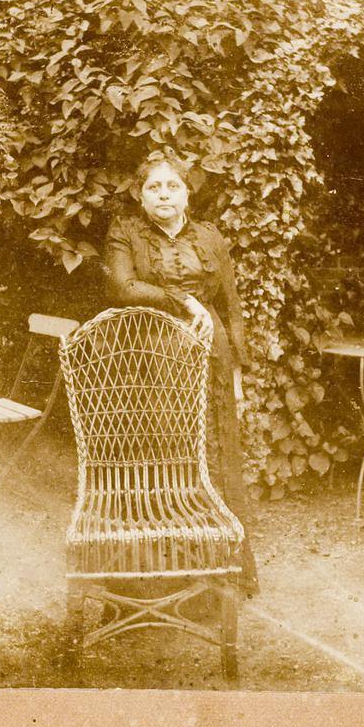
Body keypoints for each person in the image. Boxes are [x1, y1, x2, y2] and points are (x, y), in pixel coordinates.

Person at [102, 149, 259, 594]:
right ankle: (157, 584)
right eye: (154, 187)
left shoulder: (209, 237)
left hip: (211, 358)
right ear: (141, 196)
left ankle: (219, 576)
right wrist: (184, 301)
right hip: (149, 360)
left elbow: (230, 305)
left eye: (173, 186)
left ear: (187, 194)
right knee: (159, 457)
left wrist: (237, 373)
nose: (164, 195)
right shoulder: (125, 232)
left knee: (214, 454)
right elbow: (121, 286)